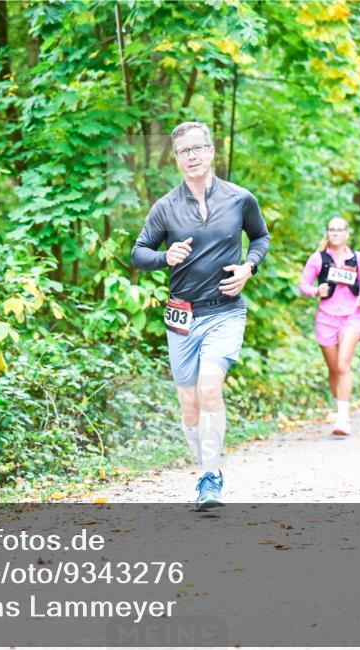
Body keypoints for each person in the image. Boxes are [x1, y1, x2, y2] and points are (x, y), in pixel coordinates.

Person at [131, 121, 271, 510]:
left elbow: (260, 237)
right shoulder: (165, 207)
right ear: (176, 160)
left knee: (210, 388)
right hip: (182, 317)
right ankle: (205, 465)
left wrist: (248, 268)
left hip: (225, 312)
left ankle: (211, 478)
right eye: (183, 152)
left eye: (197, 149)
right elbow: (139, 252)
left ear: (211, 151)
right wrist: (165, 257)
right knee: (189, 405)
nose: (191, 156)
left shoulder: (240, 199)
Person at [298, 216, 360, 435]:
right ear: (327, 233)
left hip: (352, 316)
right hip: (326, 319)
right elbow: (304, 285)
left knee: (342, 365)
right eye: (331, 230)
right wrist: (314, 291)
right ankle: (342, 410)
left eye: (339, 230)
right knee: (333, 369)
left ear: (347, 233)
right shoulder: (318, 259)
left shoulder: (357, 258)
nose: (335, 233)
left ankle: (343, 419)